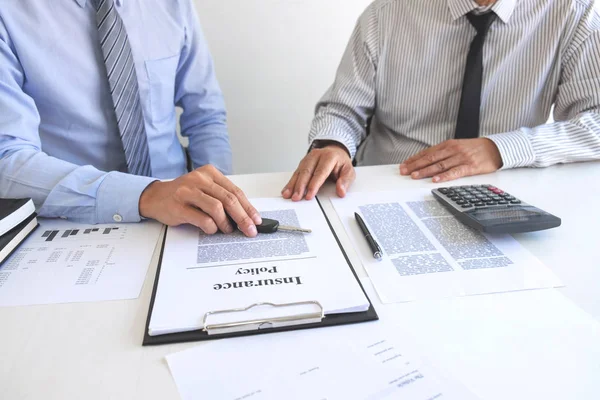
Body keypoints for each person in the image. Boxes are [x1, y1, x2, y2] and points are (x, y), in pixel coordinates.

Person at [283, 0, 600, 201]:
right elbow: (343, 109)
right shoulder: (385, 14)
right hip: (388, 186)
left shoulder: (575, 12)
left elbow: (595, 124)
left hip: (504, 193)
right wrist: (334, 145)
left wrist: (499, 148)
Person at [0, 0, 261, 237]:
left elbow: (205, 116)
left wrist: (219, 198)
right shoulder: (8, 13)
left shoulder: (173, 5)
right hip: (72, 222)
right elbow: (7, 159)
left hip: (184, 219)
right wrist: (146, 195)